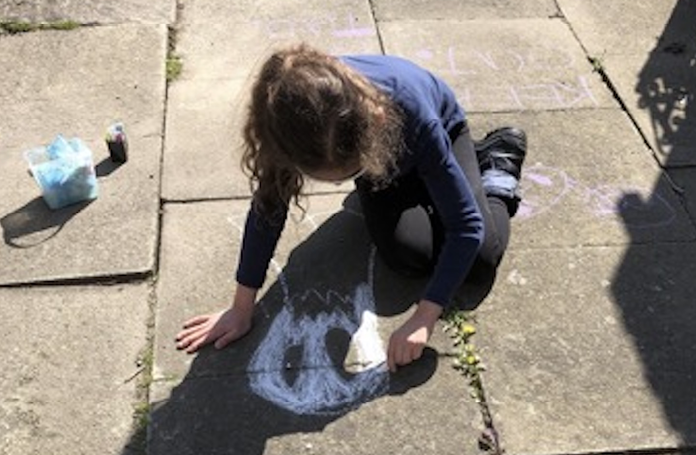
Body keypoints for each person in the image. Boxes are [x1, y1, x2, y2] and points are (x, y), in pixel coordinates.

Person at [175, 43, 527, 371]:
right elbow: (267, 211)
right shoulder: (287, 130)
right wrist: (241, 307)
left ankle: (496, 165)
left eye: (347, 174)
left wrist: (424, 316)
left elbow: (465, 227)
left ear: (368, 132)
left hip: (435, 134)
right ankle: (433, 185)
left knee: (480, 257)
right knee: (411, 256)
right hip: (382, 163)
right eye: (332, 178)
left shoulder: (414, 115)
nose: (336, 183)